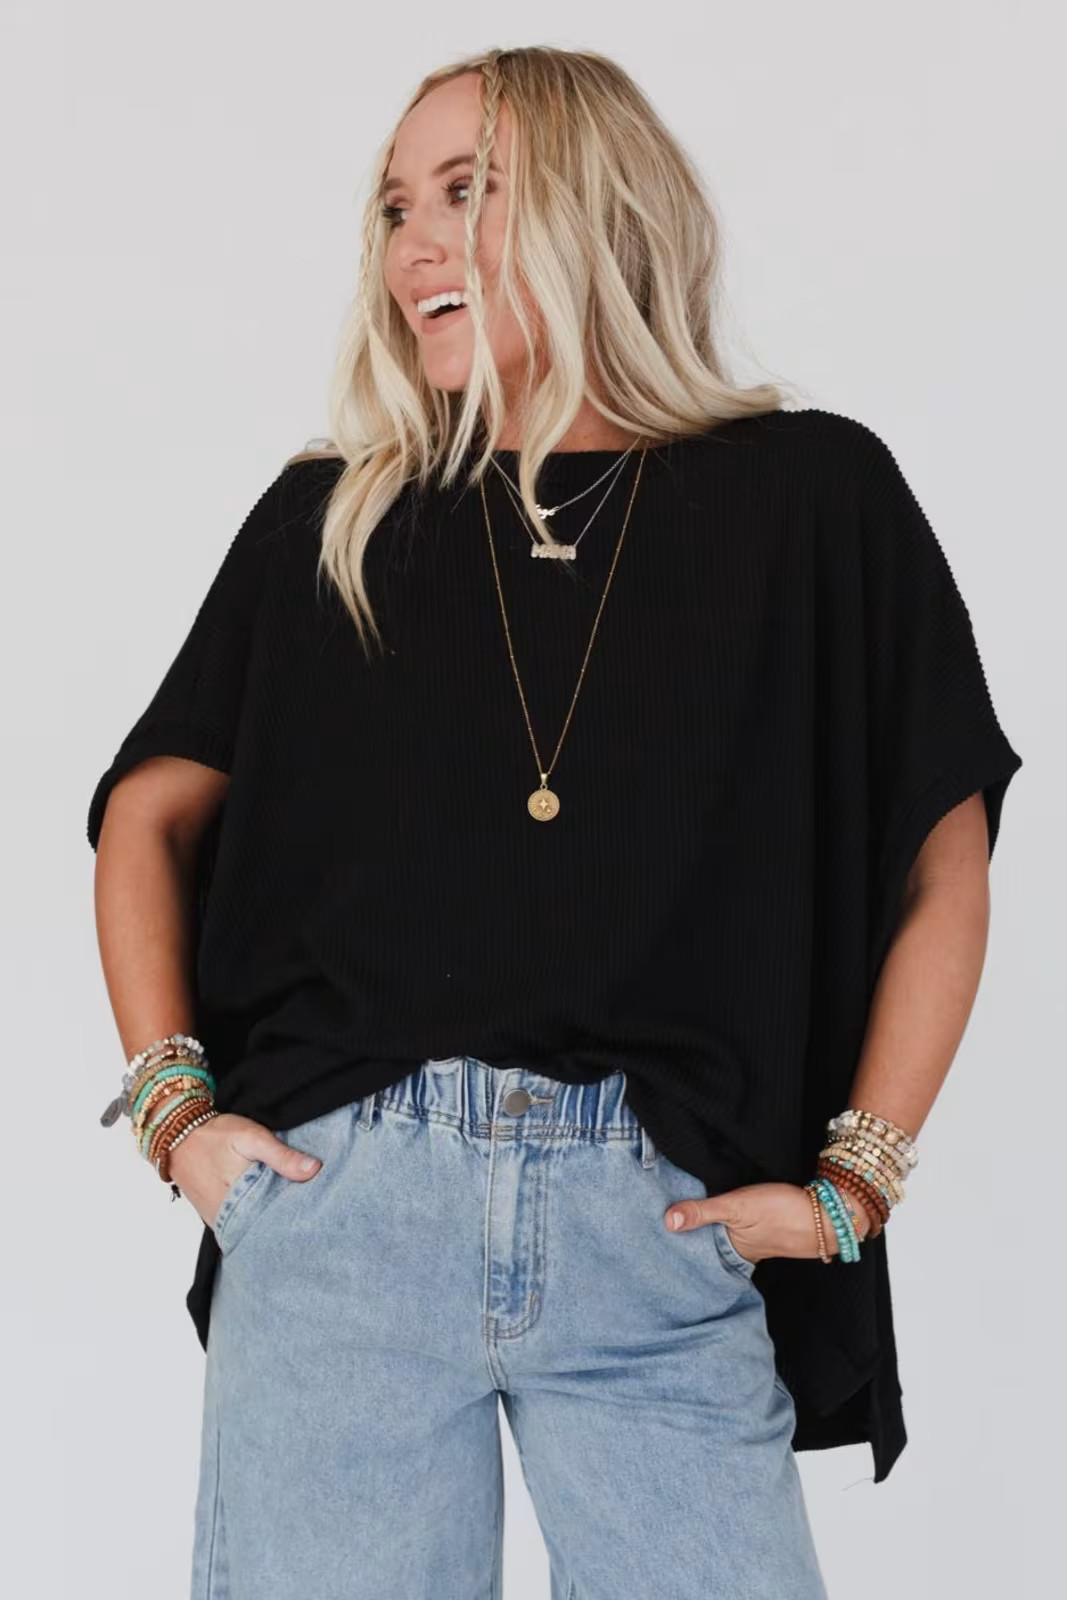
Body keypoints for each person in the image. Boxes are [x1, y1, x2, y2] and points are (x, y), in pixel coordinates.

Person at [87, 45, 1023, 1600]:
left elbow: (945, 856)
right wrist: (177, 1121)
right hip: (343, 1218)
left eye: (467, 190)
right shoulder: (338, 520)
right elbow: (146, 814)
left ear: (603, 205)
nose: (415, 246)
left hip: (655, 1224)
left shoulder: (814, 498)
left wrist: (855, 1185)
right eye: (396, 207)